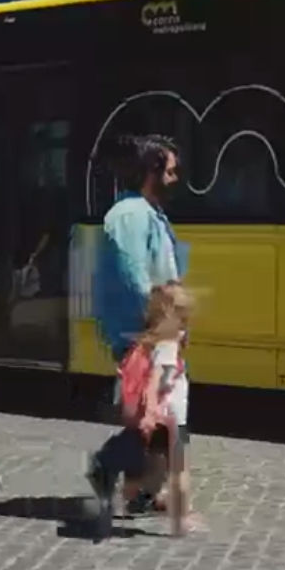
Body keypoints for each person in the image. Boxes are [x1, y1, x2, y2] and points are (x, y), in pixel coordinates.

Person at [92, 134, 188, 516]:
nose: (175, 178)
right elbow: (135, 278)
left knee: (161, 411)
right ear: (151, 171)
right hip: (143, 330)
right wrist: (159, 322)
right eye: (170, 171)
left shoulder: (150, 213)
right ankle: (113, 466)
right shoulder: (130, 215)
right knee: (159, 412)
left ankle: (140, 488)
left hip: (157, 327)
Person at [88, 282, 206, 538]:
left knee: (150, 463)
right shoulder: (167, 344)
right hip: (169, 418)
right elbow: (154, 380)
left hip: (156, 418)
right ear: (176, 316)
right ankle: (180, 521)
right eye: (185, 316)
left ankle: (124, 501)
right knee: (180, 469)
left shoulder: (149, 339)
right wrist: (152, 410)